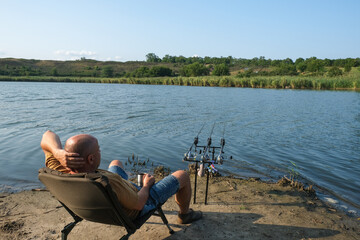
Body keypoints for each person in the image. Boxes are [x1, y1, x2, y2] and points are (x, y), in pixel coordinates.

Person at [40, 130, 202, 224]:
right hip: (135, 205)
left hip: (101, 202)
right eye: (99, 150)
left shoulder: (60, 169)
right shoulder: (108, 182)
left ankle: (131, 184)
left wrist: (57, 152)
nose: (100, 152)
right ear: (91, 159)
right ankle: (184, 215)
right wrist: (146, 185)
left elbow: (47, 135)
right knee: (182, 175)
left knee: (116, 163)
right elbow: (139, 204)